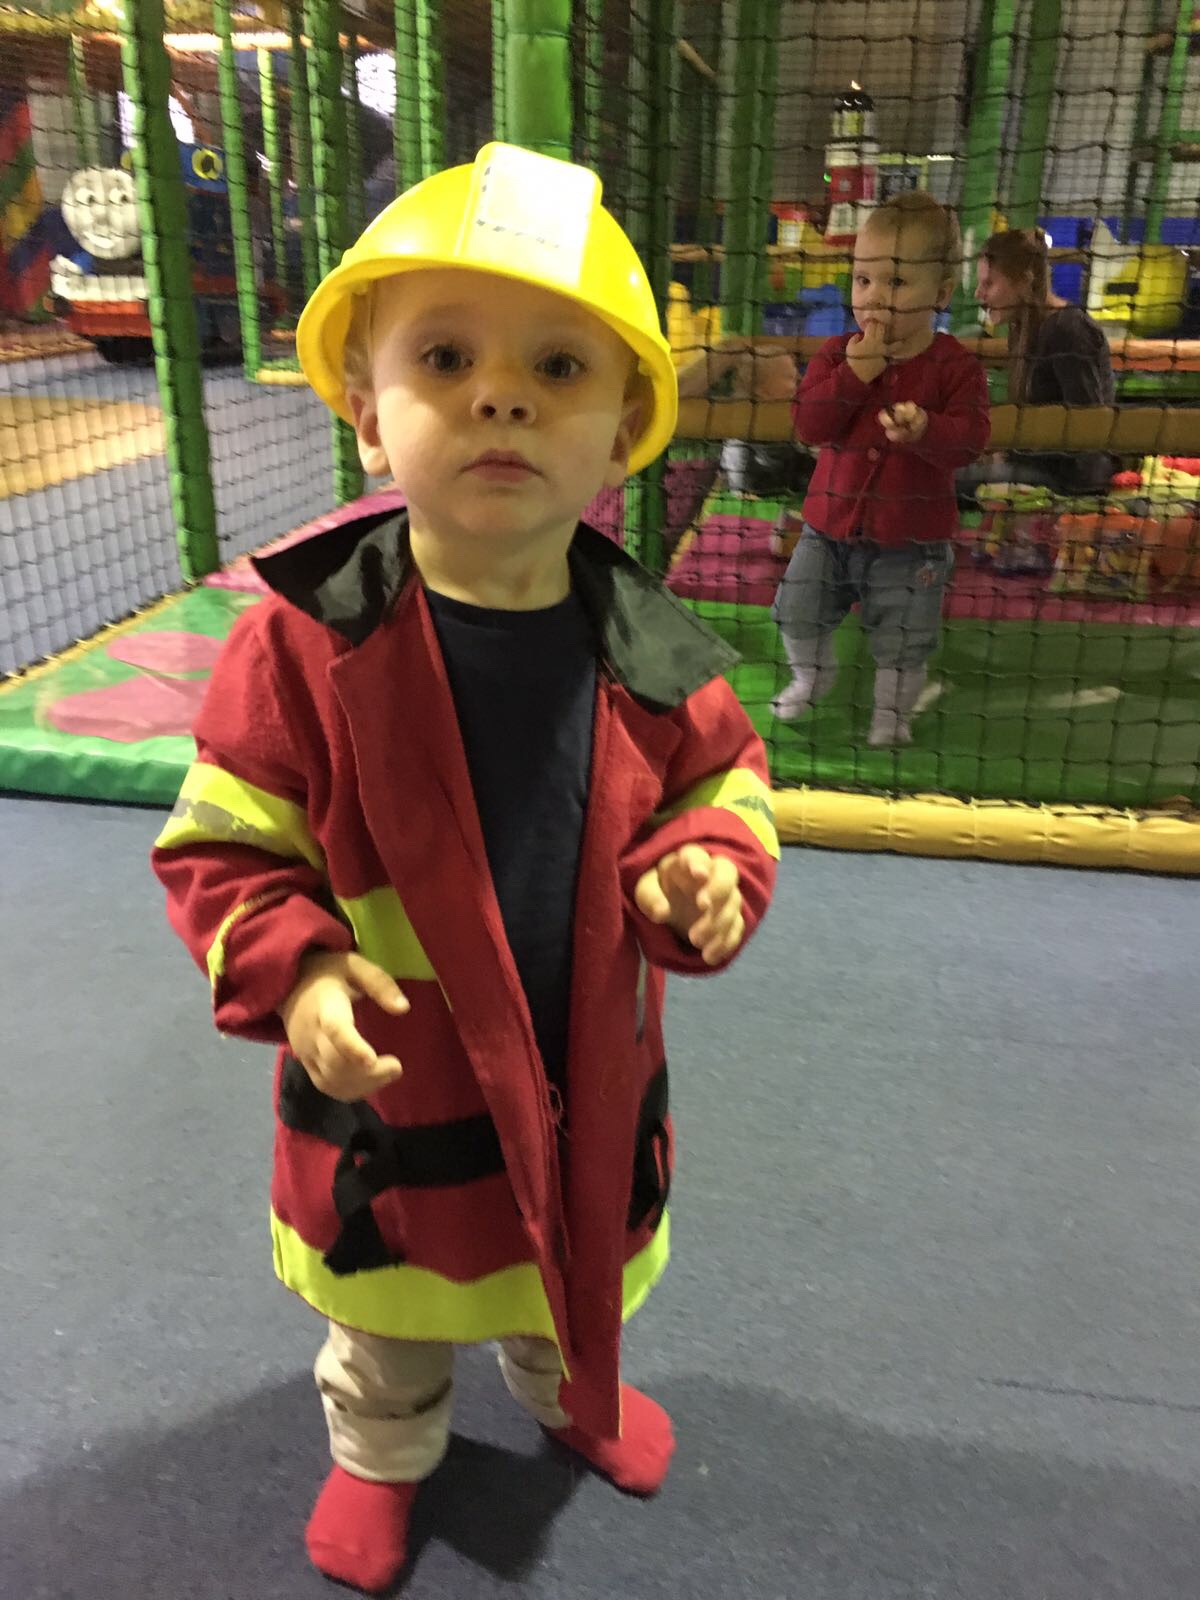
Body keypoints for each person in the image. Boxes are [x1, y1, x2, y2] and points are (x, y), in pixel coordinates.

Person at [151, 142, 778, 1595]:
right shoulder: (302, 645)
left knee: (571, 1265)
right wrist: (300, 971)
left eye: (558, 368)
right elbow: (224, 844)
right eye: (446, 358)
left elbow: (727, 784)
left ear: (623, 431)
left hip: (583, 1060)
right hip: (402, 1085)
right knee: (393, 1307)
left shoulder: (651, 649)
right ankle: (384, 1457)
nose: (502, 396)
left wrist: (706, 868)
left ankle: (571, 1393)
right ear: (367, 413)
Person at [771, 192, 990, 746]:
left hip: (912, 541)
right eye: (863, 280)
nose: (874, 297)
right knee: (796, 610)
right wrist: (855, 374)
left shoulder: (954, 366)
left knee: (904, 637)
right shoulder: (836, 354)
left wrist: (927, 430)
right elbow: (809, 424)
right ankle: (811, 678)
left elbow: (970, 441)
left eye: (896, 282)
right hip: (827, 528)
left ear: (941, 294)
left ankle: (892, 717)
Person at [962, 226, 1116, 500]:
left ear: (1024, 282)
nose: (978, 294)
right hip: (1040, 467)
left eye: (989, 284)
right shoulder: (1024, 329)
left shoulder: (1068, 329)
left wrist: (1009, 456)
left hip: (1070, 480)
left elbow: (1086, 428)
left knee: (950, 479)